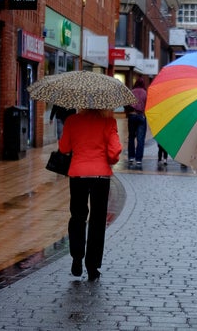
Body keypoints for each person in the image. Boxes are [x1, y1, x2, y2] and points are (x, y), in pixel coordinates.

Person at [59, 108, 122, 281]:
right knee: (97, 220)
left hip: (78, 174)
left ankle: (77, 258)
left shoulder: (72, 120)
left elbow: (64, 147)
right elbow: (115, 152)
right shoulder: (109, 122)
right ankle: (92, 266)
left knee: (78, 216)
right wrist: (109, 159)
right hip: (100, 176)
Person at [127, 77, 147, 165]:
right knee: (140, 139)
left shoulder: (131, 92)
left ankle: (131, 157)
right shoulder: (145, 93)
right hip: (141, 116)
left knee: (131, 137)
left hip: (132, 115)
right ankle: (138, 159)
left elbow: (126, 104)